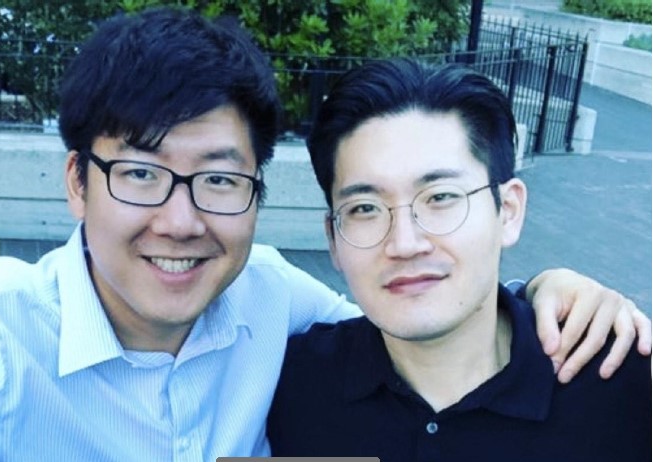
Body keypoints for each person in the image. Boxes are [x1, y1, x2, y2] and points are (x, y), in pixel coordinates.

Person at [0, 7, 648, 461]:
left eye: (219, 179)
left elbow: (421, 307)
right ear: (77, 181)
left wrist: (541, 292)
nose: (179, 223)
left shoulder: (276, 303)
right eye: (141, 174)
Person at [267, 59, 652, 461]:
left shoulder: (623, 387)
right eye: (365, 208)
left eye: (440, 197)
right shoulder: (289, 384)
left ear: (508, 212)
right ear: (333, 238)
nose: (405, 243)